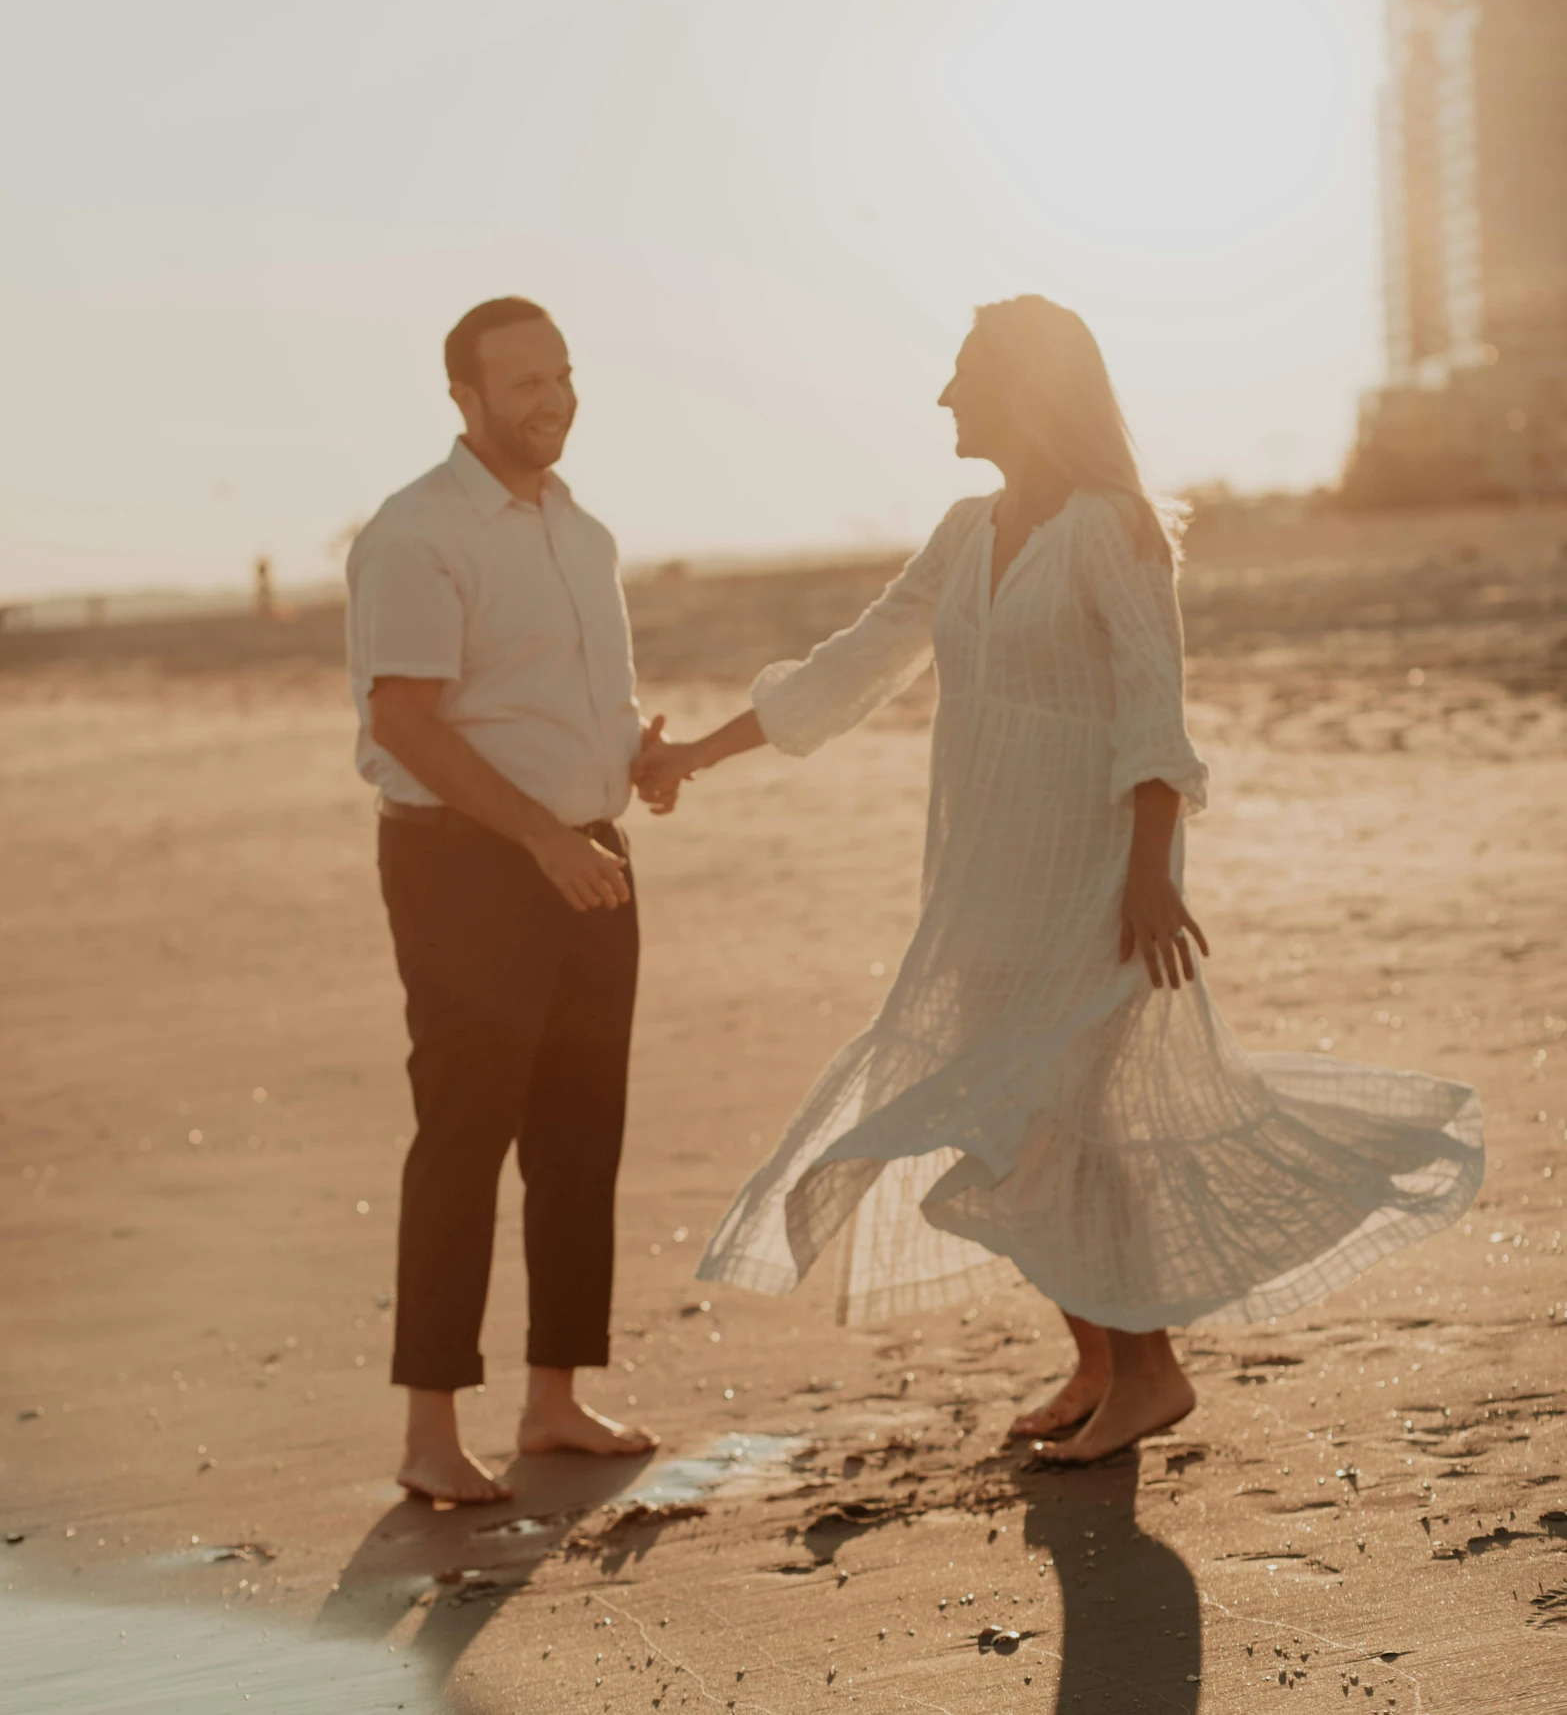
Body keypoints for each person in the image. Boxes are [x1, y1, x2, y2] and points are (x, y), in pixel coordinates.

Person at [636, 295, 1484, 1463]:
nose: (942, 395)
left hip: (1096, 879)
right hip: (986, 877)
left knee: (1079, 1123)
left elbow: (1151, 708)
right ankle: (1099, 1360)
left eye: (963, 372)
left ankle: (1151, 1372)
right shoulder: (965, 529)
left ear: (1027, 388)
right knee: (1020, 1126)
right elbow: (852, 667)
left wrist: (1146, 873)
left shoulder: (1111, 529)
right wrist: (691, 756)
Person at [347, 296, 666, 1503]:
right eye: (523, 381)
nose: (552, 398)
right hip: (467, 866)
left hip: (590, 853)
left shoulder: (580, 530)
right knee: (465, 1135)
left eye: (562, 374)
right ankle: (431, 1430)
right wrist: (538, 833)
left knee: (583, 1134)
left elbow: (553, 700)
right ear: (464, 398)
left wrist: (634, 746)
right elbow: (404, 720)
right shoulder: (417, 533)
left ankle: (553, 1400)